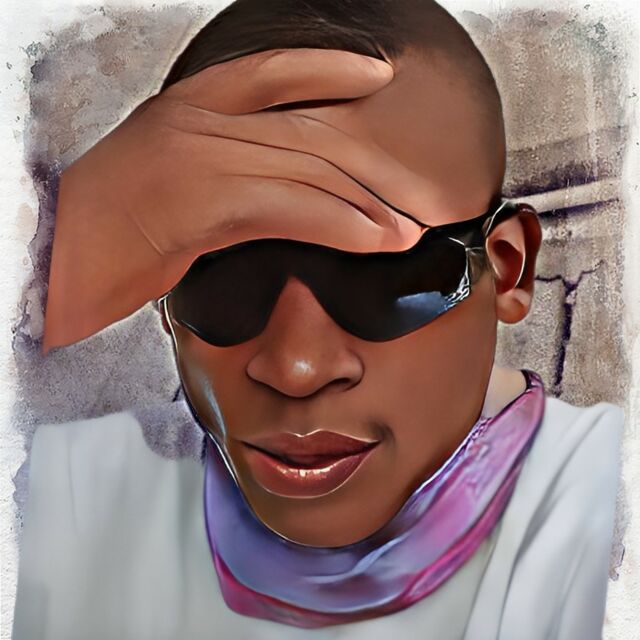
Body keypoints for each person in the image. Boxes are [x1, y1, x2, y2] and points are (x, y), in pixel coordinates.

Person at [13, 0, 623, 638]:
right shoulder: (67, 493)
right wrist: (60, 264)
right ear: (162, 293)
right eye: (222, 278)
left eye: (385, 276)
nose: (296, 368)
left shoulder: (605, 509)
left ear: (509, 268)